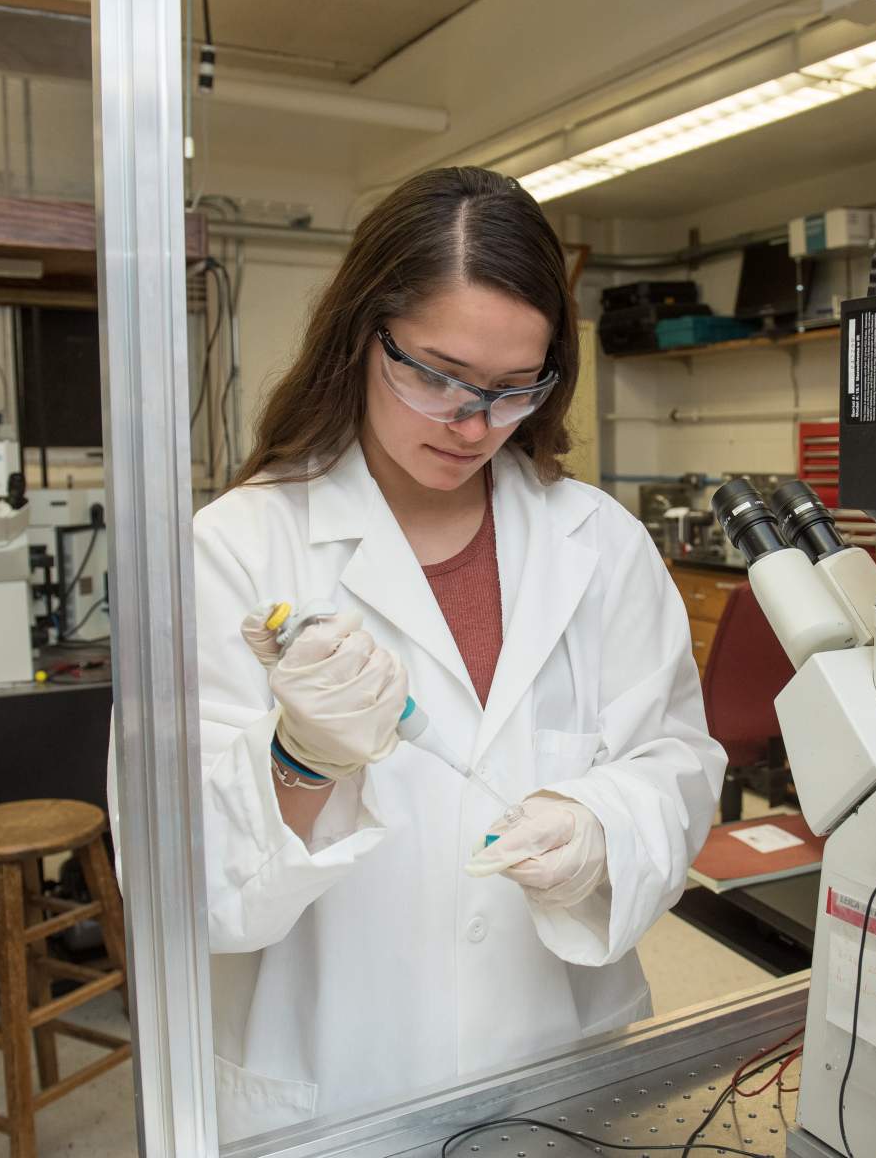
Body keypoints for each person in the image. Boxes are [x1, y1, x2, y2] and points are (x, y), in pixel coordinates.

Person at [181, 168, 724, 1140]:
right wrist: (299, 758)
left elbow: (679, 762)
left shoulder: (596, 541)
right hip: (337, 1090)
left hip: (562, 1070)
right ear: (361, 334)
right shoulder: (236, 547)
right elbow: (191, 879)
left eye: (514, 387)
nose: (471, 422)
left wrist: (602, 823)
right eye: (435, 373)